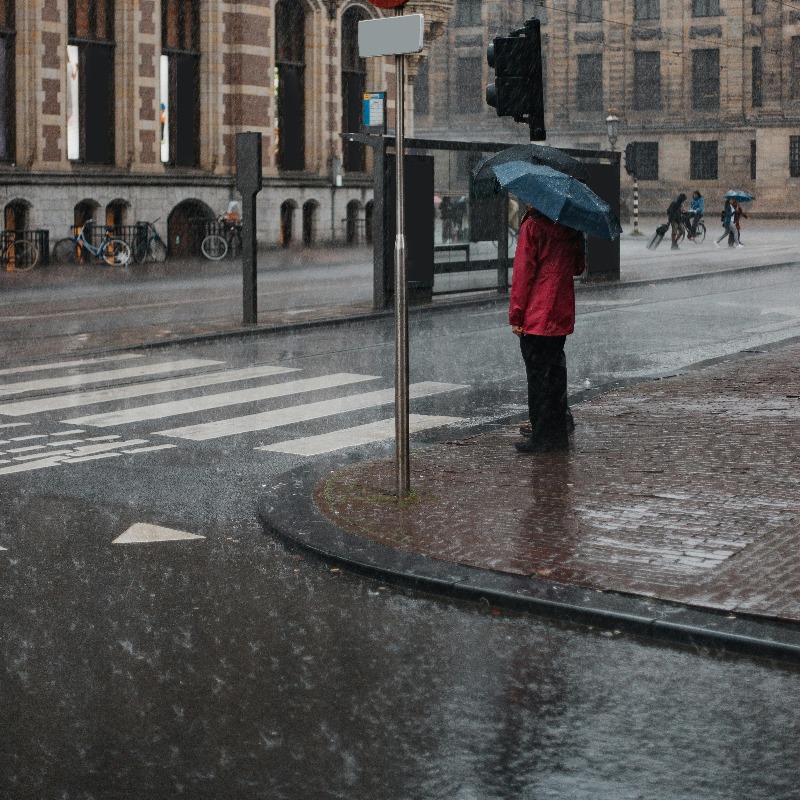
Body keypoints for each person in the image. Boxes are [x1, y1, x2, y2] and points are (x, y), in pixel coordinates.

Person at [509, 206, 585, 453]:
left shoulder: (532, 226)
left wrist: (516, 316)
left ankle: (541, 437)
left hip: (536, 314)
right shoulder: (572, 227)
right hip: (560, 312)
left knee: (537, 378)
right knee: (555, 375)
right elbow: (578, 267)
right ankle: (558, 436)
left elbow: (523, 274)